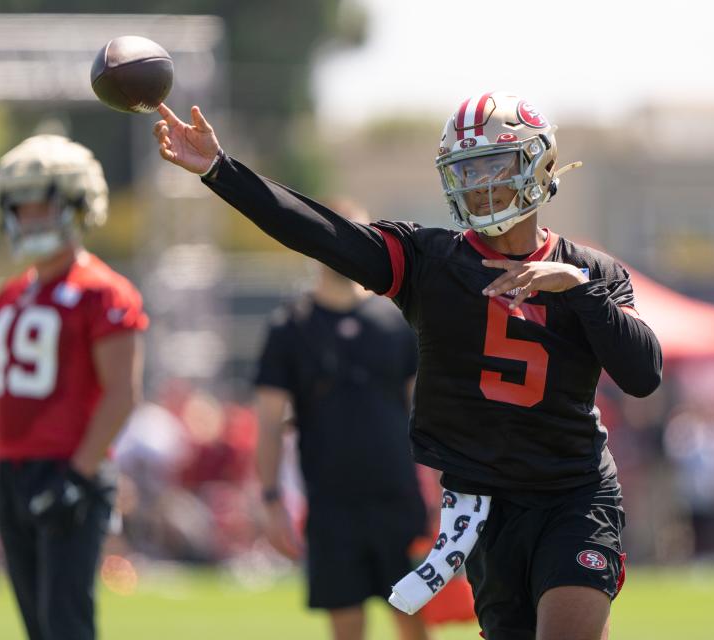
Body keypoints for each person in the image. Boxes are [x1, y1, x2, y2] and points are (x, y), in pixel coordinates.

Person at [153, 91, 662, 640]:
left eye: (492, 164)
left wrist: (580, 292)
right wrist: (219, 169)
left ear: (537, 163)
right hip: (485, 504)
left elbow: (642, 374)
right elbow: (321, 232)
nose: (479, 183)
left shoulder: (591, 271)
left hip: (575, 492)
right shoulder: (431, 261)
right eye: (465, 170)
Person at [0, 134, 148, 640]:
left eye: (44, 206)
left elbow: (122, 393)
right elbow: (0, 397)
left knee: (67, 625)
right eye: (21, 208)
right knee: (38, 628)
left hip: (71, 470)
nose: (31, 219)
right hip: (15, 473)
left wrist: (78, 475)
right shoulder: (10, 295)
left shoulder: (104, 291)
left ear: (76, 206)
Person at [254, 198, 430, 640]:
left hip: (399, 501)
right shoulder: (289, 328)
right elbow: (269, 422)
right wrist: (273, 501)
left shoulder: (395, 322)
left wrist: (445, 495)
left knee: (415, 625)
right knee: (347, 630)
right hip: (331, 505)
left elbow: (426, 416)